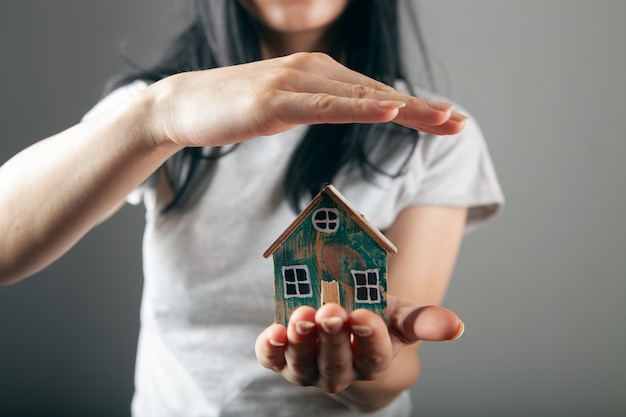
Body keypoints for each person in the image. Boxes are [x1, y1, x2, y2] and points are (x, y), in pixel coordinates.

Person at [0, 0, 503, 416]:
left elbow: (396, 359)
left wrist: (364, 361)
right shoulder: (153, 110)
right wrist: (160, 116)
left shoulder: (432, 137)